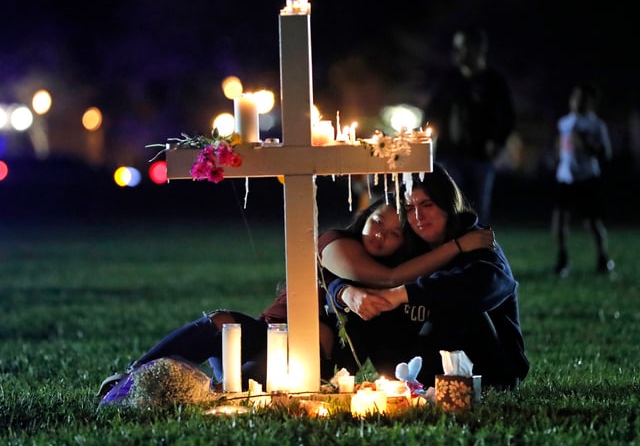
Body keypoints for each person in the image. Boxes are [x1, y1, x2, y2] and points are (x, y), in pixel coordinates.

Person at [97, 195, 495, 399]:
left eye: (394, 234)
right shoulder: (335, 244)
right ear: (364, 218)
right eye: (377, 223)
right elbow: (361, 277)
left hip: (308, 364)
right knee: (222, 324)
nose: (382, 236)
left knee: (246, 387)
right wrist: (457, 247)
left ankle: (188, 392)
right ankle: (130, 378)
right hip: (266, 332)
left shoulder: (392, 286)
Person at [326, 165, 529, 390]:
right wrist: (346, 292)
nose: (418, 216)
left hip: (489, 368)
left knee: (457, 303)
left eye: (427, 205)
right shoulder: (408, 242)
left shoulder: (476, 240)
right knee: (365, 301)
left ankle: (421, 384)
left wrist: (403, 294)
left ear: (446, 203)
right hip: (414, 363)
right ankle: (335, 381)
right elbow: (358, 275)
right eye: (410, 208)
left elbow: (488, 283)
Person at [422, 26, 516, 224]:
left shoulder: (494, 82)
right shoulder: (448, 80)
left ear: (479, 48)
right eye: (456, 47)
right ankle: (454, 250)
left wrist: (497, 142)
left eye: (463, 46)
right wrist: (423, 138)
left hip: (481, 157)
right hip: (450, 154)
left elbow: (508, 116)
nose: (457, 52)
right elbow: (432, 112)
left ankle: (479, 250)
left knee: (480, 209)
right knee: (451, 205)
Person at [552, 81, 614, 276]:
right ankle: (562, 260)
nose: (577, 101)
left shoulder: (597, 125)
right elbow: (561, 146)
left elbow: (606, 153)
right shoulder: (564, 122)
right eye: (575, 97)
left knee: (593, 222)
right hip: (565, 177)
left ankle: (603, 258)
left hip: (587, 178)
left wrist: (585, 145)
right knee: (561, 219)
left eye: (582, 98)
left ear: (590, 102)